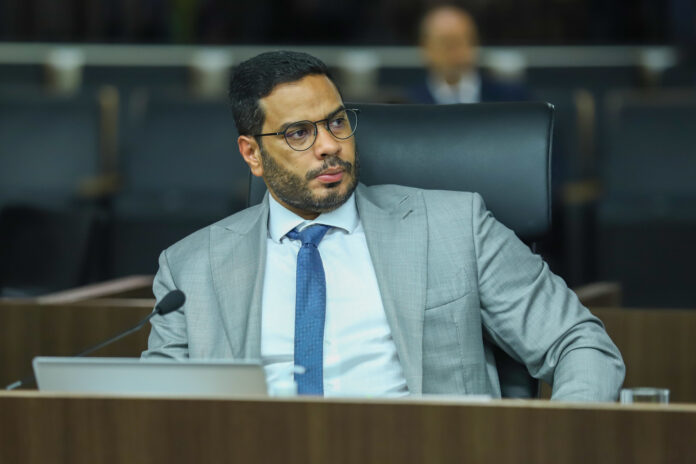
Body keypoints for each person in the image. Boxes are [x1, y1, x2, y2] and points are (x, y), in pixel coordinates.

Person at [143, 50, 624, 401]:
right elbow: (154, 408)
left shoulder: (456, 227)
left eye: (336, 122)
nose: (329, 145)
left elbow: (579, 342)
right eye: (299, 133)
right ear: (252, 153)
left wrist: (552, 445)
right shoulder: (191, 270)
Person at [408, 5, 529, 104]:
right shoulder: (408, 103)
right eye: (446, 43)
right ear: (425, 48)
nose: (454, 51)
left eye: (461, 42)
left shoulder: (512, 98)